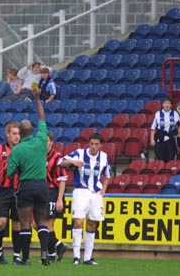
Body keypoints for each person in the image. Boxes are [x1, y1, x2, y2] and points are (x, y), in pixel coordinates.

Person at [6, 94, 51, 266]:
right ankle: (45, 252)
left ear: (21, 133)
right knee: (42, 221)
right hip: (42, 185)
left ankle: (25, 258)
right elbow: (42, 117)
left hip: (26, 186)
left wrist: (20, 167)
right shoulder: (41, 140)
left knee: (25, 224)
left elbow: (10, 173)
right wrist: (38, 99)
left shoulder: (17, 150)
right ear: (32, 130)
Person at [60, 132, 112, 265]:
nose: (93, 146)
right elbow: (61, 162)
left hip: (96, 193)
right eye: (91, 144)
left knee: (93, 223)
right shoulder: (80, 153)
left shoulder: (104, 157)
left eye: (96, 144)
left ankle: (87, 258)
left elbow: (107, 175)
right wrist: (73, 161)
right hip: (81, 191)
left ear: (101, 145)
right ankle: (76, 256)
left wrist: (103, 191)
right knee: (78, 221)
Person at [0, 121, 21, 264]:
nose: (17, 136)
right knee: (0, 223)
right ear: (7, 134)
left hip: (20, 192)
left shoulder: (24, 150)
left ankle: (17, 256)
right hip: (2, 191)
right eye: (14, 134)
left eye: (18, 134)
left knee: (18, 224)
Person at [45, 132, 69, 262]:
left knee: (48, 223)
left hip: (52, 193)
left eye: (47, 141)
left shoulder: (57, 157)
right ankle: (58, 245)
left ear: (51, 142)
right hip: (41, 193)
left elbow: (63, 179)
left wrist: (59, 199)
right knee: (35, 223)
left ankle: (51, 254)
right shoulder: (38, 156)